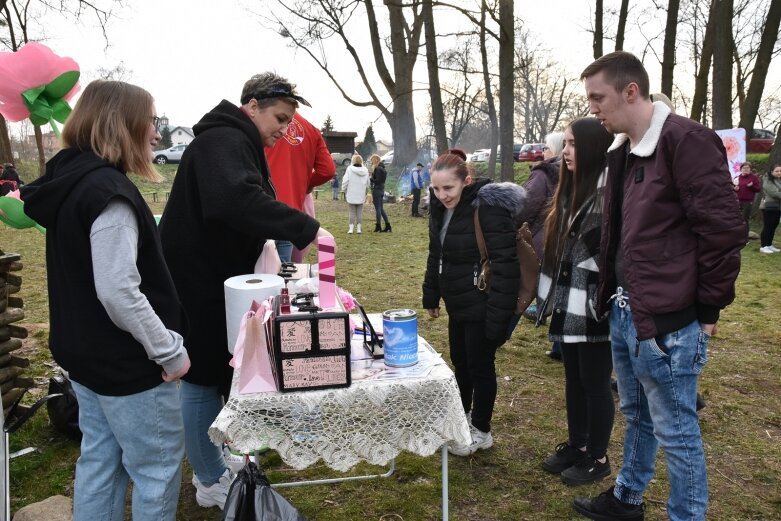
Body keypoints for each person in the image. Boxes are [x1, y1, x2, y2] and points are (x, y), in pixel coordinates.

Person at [574, 51, 744, 521]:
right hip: (629, 311)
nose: (593, 108)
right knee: (638, 414)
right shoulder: (622, 149)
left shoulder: (686, 141)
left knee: (678, 430)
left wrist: (707, 312)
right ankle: (628, 496)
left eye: (598, 97)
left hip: (672, 320)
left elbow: (723, 232)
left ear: (631, 91)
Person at [159, 72, 333, 510]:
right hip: (197, 281)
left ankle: (215, 457)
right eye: (279, 117)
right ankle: (209, 479)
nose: (284, 128)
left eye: (290, 121)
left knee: (220, 372)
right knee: (201, 378)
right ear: (251, 106)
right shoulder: (223, 141)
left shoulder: (236, 141)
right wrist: (304, 226)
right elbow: (234, 201)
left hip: (215, 277)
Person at [21, 80, 190, 521]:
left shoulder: (70, 181)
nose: (156, 133)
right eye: (151, 121)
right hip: (129, 365)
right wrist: (168, 351)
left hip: (86, 358)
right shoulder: (106, 193)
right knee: (155, 470)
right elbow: (117, 290)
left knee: (99, 460)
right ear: (123, 123)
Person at [422, 149, 524, 456]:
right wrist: (432, 293)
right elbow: (436, 254)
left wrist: (498, 316)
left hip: (483, 302)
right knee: (461, 364)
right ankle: (461, 418)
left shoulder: (487, 208)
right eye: (436, 189)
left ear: (466, 181)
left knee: (481, 366)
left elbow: (506, 265)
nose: (442, 195)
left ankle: (482, 430)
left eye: (448, 188)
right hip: (457, 302)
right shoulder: (440, 209)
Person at [536, 118, 615, 487]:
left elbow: (608, 256)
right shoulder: (572, 192)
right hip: (570, 301)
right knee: (573, 378)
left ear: (593, 148)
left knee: (595, 382)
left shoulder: (608, 193)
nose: (564, 152)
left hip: (596, 305)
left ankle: (597, 457)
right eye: (564, 144)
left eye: (571, 144)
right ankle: (578, 446)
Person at [516, 130, 564, 362]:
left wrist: (513, 224)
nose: (542, 151)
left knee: (524, 285)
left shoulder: (542, 174)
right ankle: (559, 345)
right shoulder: (570, 172)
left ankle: (499, 333)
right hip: (559, 240)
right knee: (561, 290)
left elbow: (526, 205)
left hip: (538, 239)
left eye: (546, 147)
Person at [265, 113, 335, 262]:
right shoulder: (312, 130)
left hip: (261, 209)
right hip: (290, 213)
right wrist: (305, 186)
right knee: (286, 272)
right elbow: (327, 170)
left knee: (257, 275)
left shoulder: (263, 125)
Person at [341, 154, 370, 234]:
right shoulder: (365, 170)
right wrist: (366, 189)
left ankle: (351, 229)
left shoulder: (349, 169)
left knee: (352, 212)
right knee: (359, 212)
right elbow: (368, 183)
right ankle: (359, 229)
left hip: (351, 193)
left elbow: (345, 180)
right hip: (361, 194)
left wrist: (343, 189)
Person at [734, 161, 762, 240]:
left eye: (747, 168)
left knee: (744, 218)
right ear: (741, 169)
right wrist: (735, 189)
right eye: (744, 168)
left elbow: (758, 189)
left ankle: (745, 237)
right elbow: (734, 188)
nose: (745, 170)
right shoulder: (738, 177)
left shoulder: (753, 178)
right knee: (737, 218)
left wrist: (751, 186)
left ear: (750, 169)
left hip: (748, 202)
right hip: (737, 201)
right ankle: (737, 235)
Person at [759, 164, 781, 253]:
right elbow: (774, 192)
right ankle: (763, 246)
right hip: (769, 206)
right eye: (777, 171)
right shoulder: (767, 179)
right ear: (771, 171)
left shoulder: (778, 180)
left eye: (780, 171)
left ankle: (769, 244)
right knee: (768, 226)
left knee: (773, 226)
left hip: (778, 206)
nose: (779, 173)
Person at [369, 154, 392, 232]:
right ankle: (388, 225)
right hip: (381, 190)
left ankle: (378, 226)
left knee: (378, 209)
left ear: (375, 160)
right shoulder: (383, 169)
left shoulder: (378, 169)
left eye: (372, 161)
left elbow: (377, 180)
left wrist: (370, 179)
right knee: (381, 209)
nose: (371, 163)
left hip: (377, 190)